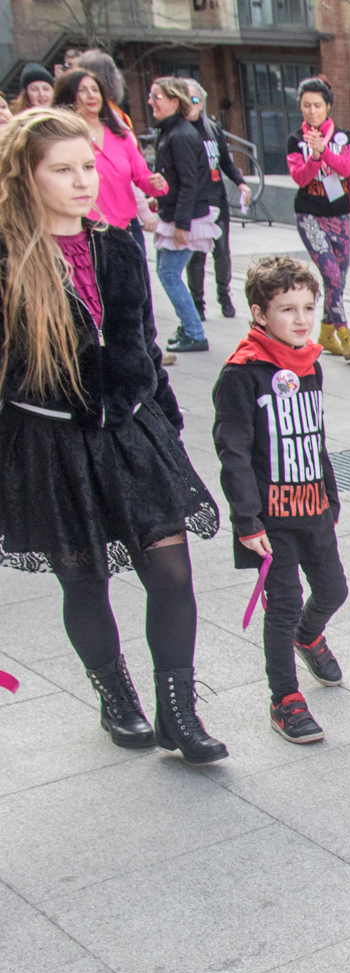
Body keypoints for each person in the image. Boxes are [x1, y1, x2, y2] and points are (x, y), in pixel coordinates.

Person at [0, 108, 226, 763]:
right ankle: (115, 693)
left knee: (171, 570)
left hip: (132, 431)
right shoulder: (11, 259)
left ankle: (179, 711)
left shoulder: (118, 243)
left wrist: (165, 423)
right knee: (84, 578)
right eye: (62, 170)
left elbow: (144, 344)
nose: (81, 181)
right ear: (26, 175)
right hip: (52, 442)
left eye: (86, 167)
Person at [213, 256, 349, 745]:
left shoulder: (308, 363)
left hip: (313, 507)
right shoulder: (241, 373)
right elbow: (233, 452)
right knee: (285, 604)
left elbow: (315, 436)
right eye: (287, 308)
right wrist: (247, 520)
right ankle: (285, 698)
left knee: (334, 590)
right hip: (270, 520)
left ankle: (309, 637)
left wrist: (331, 494)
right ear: (258, 312)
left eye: (308, 307)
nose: (301, 319)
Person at [50, 68, 166, 253]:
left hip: (122, 231)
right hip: (80, 234)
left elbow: (141, 176)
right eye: (83, 90)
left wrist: (155, 184)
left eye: (95, 90)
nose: (91, 95)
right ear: (69, 95)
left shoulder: (121, 135)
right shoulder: (59, 137)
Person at [288, 77, 350, 362]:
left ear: (328, 106)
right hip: (309, 213)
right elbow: (300, 177)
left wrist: (324, 150)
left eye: (317, 105)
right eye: (306, 105)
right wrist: (315, 157)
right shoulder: (295, 139)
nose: (311, 111)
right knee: (330, 274)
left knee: (339, 279)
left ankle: (324, 335)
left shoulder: (343, 137)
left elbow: (347, 167)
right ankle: (345, 335)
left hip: (339, 214)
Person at [149, 77, 212, 354]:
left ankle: (193, 331)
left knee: (169, 273)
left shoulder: (180, 135)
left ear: (174, 102)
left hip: (186, 218)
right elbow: (177, 179)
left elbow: (190, 181)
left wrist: (182, 223)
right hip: (176, 213)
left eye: (157, 97)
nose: (151, 101)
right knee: (167, 271)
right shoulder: (172, 131)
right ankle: (189, 328)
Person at [184, 80, 250, 320]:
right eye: (185, 99)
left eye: (194, 100)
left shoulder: (212, 129)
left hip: (216, 197)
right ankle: (197, 303)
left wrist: (240, 182)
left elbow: (226, 163)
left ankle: (224, 296)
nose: (190, 105)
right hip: (194, 202)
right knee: (197, 254)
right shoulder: (180, 133)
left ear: (202, 102)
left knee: (222, 251)